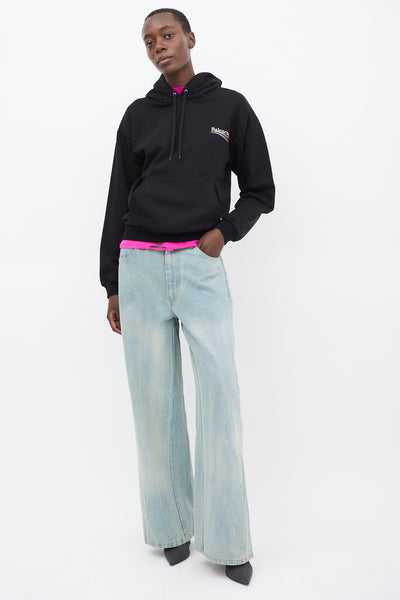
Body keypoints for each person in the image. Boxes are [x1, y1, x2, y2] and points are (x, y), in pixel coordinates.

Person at [99, 7, 275, 586]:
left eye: (167, 34)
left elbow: (260, 189)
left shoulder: (230, 108)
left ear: (190, 38)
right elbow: (118, 199)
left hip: (200, 266)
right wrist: (112, 283)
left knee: (220, 400)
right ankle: (171, 527)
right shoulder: (136, 115)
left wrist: (223, 233)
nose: (158, 46)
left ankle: (228, 538)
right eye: (148, 40)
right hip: (140, 267)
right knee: (154, 405)